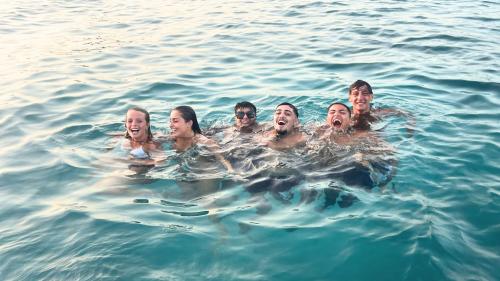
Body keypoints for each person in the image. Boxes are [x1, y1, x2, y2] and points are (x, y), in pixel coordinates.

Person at [169, 105, 233, 172]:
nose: (170, 125)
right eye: (170, 121)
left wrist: (231, 171)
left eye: (175, 121)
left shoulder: (204, 142)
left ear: (189, 123)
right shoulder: (172, 138)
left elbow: (223, 159)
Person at [348, 80, 414, 132]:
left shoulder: (379, 113)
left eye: (365, 94)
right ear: (350, 98)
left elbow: (407, 114)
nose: (360, 98)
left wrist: (410, 127)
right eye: (355, 94)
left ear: (371, 97)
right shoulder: (345, 115)